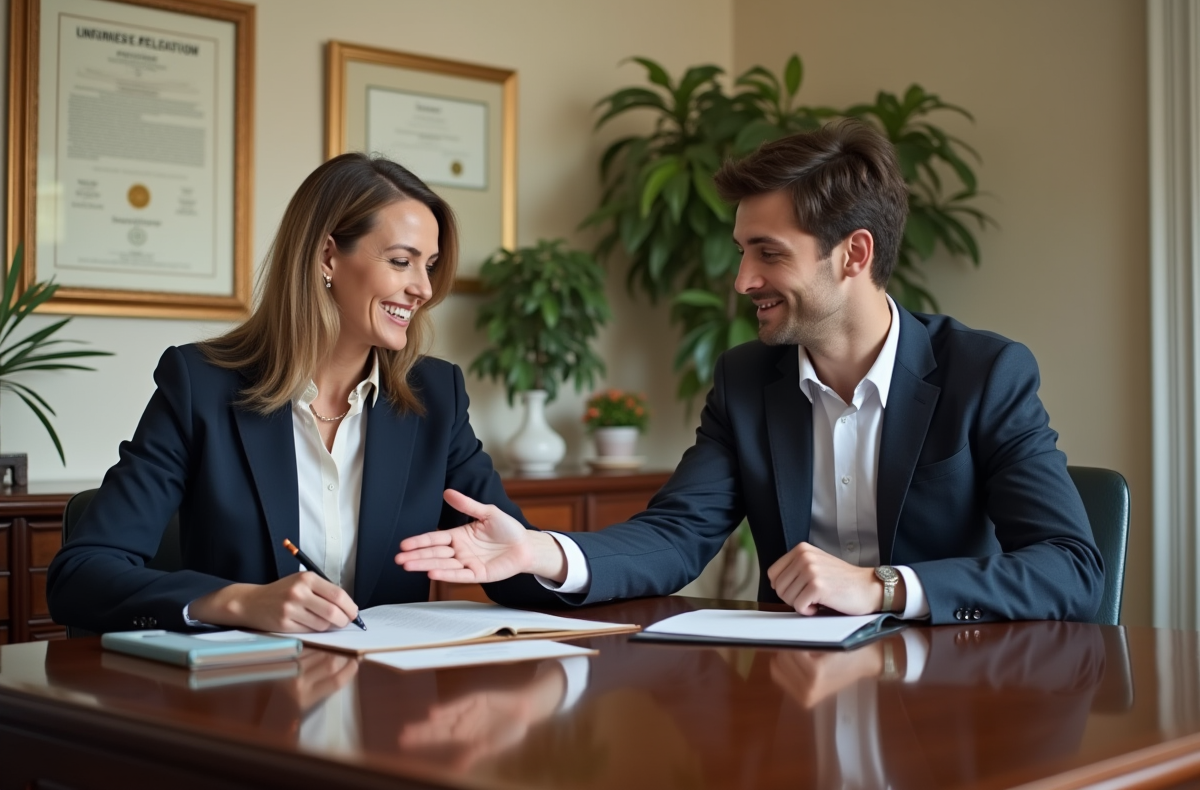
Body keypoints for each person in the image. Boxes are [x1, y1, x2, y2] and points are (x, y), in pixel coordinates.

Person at [396, 120, 1104, 624]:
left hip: (958, 704)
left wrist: (882, 588)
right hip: (793, 703)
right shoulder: (746, 382)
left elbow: (1069, 567)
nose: (741, 280)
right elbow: (675, 535)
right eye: (741, 252)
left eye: (767, 254)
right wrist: (538, 550)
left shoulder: (985, 374)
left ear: (853, 255)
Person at [48, 153, 543, 634]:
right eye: (401, 261)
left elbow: (514, 559)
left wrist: (546, 558)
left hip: (389, 699)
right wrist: (238, 602)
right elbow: (82, 575)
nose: (424, 289)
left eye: (429, 266)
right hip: (241, 699)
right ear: (327, 256)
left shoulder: (436, 396)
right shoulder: (199, 384)